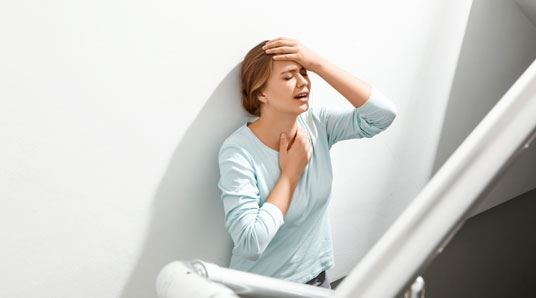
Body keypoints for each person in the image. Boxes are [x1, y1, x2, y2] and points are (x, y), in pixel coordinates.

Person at [217, 37, 398, 289]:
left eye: (304, 73)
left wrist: (318, 64)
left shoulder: (318, 125)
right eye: (289, 76)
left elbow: (383, 115)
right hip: (260, 290)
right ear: (261, 93)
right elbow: (250, 243)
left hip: (317, 280)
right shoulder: (238, 151)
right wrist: (290, 176)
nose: (304, 82)